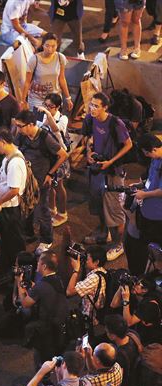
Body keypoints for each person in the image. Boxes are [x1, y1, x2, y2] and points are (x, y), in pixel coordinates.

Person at [81, 93, 133, 261]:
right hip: (96, 169)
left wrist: (111, 161)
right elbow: (87, 138)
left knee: (114, 209)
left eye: (96, 106)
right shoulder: (89, 119)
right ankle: (104, 234)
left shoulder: (115, 123)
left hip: (113, 172)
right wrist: (89, 153)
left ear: (105, 107)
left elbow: (128, 144)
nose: (92, 108)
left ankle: (119, 244)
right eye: (91, 105)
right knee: (98, 205)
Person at [14, 110, 68, 254]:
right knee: (27, 207)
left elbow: (63, 155)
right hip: (26, 180)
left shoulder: (45, 137)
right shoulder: (22, 136)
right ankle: (29, 234)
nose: (18, 129)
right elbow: (14, 149)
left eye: (20, 126)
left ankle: (47, 240)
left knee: (42, 210)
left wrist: (50, 174)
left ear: (31, 124)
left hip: (41, 181)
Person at [16, 251, 68, 367]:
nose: (37, 264)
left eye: (39, 262)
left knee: (43, 359)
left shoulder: (41, 286)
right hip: (61, 324)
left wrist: (19, 286)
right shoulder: (59, 279)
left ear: (44, 266)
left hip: (47, 328)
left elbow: (25, 303)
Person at [0, 128, 27, 274]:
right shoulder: (8, 157)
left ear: (4, 143)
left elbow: (14, 190)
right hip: (4, 207)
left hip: (10, 209)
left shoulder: (15, 163)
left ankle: (16, 269)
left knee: (13, 240)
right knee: (6, 238)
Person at [36, 93, 70, 227]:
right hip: (47, 155)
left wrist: (48, 115)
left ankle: (62, 213)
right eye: (46, 105)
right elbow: (39, 128)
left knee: (58, 185)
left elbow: (56, 129)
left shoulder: (63, 118)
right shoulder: (44, 115)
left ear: (58, 107)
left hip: (59, 156)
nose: (48, 108)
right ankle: (52, 209)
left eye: (51, 106)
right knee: (48, 185)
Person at [21, 33, 73, 112]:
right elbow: (27, 81)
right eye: (47, 46)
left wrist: (68, 98)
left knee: (52, 122)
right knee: (38, 122)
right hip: (37, 98)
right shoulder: (34, 59)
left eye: (53, 46)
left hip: (54, 98)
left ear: (57, 45)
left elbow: (62, 78)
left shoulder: (60, 58)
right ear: (42, 45)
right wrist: (23, 100)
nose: (50, 49)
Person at [111, 274, 162, 345]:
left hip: (148, 340)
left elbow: (128, 323)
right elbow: (114, 305)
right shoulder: (137, 295)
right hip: (135, 331)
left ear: (145, 290)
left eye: (137, 284)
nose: (134, 285)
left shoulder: (150, 304)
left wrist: (126, 300)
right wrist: (121, 286)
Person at [67, 245, 108, 330]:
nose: (85, 261)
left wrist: (76, 270)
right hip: (96, 309)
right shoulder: (102, 271)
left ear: (96, 262)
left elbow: (69, 291)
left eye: (87, 258)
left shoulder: (94, 279)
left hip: (90, 318)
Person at [134, 135, 162, 245]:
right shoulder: (155, 158)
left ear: (154, 149)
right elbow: (152, 178)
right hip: (148, 210)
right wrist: (141, 185)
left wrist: (144, 195)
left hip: (158, 215)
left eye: (146, 153)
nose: (146, 155)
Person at [104, 314, 142, 386]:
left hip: (127, 384)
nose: (106, 333)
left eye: (107, 332)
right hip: (136, 374)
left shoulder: (119, 356)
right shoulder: (133, 334)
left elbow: (119, 378)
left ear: (113, 336)